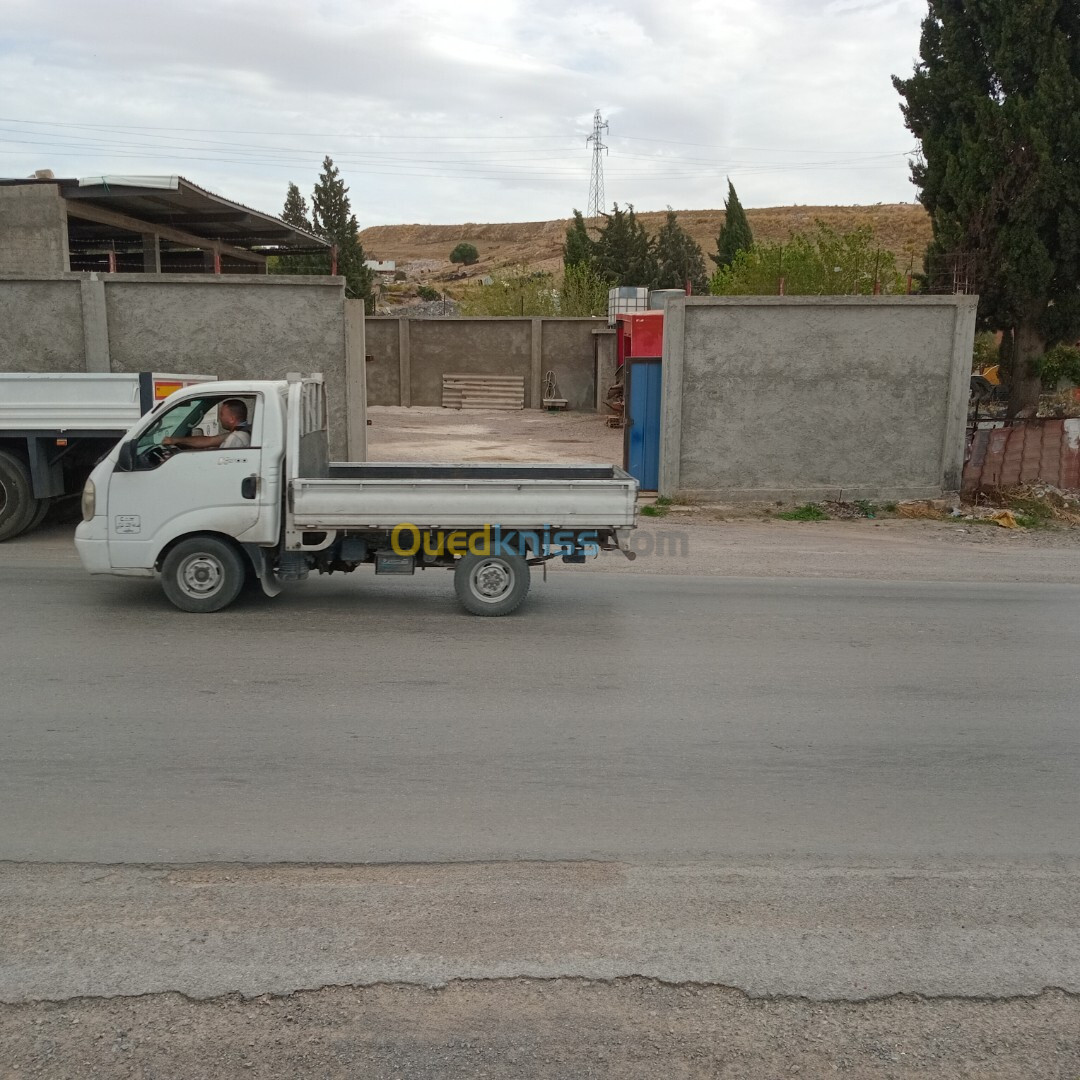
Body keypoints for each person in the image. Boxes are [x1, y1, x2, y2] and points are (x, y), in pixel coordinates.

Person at [164, 399, 252, 451]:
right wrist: (175, 440)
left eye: (221, 414)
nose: (219, 418)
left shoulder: (237, 437)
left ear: (232, 419)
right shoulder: (243, 431)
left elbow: (220, 460)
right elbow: (210, 440)